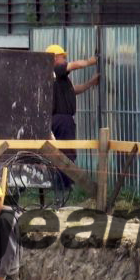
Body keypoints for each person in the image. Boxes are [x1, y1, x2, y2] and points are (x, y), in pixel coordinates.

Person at [46, 44, 100, 188]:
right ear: (55, 58)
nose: (65, 60)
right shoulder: (55, 69)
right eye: (63, 57)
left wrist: (90, 83)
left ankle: (62, 183)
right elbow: (73, 65)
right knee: (67, 153)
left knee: (61, 152)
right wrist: (90, 61)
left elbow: (72, 90)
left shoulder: (56, 78)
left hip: (57, 120)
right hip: (63, 120)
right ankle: (65, 184)